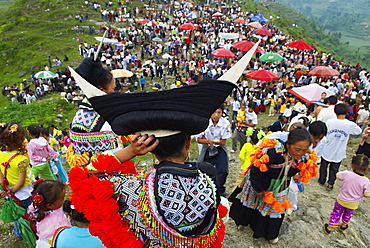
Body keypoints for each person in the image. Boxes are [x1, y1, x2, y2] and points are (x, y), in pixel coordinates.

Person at [67, 78, 235, 247]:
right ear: (187, 145)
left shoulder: (131, 190)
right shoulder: (208, 187)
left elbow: (85, 180)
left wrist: (129, 152)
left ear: (151, 149)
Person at [229, 128, 318, 244]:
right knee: (252, 202)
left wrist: (300, 173)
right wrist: (258, 188)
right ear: (288, 144)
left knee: (274, 209)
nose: (300, 153)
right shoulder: (272, 152)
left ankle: (269, 234)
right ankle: (243, 222)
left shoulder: (304, 158)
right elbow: (256, 169)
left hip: (280, 186)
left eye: (304, 150)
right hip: (260, 181)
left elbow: (296, 171)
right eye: (297, 149)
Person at [67, 57, 126, 167]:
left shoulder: (104, 111)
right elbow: (87, 161)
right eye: (112, 89)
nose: (115, 92)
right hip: (100, 174)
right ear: (101, 90)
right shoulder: (83, 121)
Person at [319, 104, 362, 190]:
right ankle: (330, 184)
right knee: (334, 169)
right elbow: (358, 131)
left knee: (323, 166)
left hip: (327, 148)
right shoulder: (349, 124)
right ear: (346, 112)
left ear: (335, 112)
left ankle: (321, 180)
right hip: (339, 150)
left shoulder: (330, 122)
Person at [324, 154, 370, 234]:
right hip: (353, 203)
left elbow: (338, 175)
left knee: (336, 213)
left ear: (351, 164)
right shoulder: (366, 181)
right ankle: (344, 225)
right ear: (367, 168)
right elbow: (367, 194)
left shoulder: (346, 174)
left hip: (341, 200)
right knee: (348, 214)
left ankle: (330, 228)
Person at [197, 105, 231, 197]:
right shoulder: (204, 122)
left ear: (222, 113)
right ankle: (206, 189)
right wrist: (208, 141)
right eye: (214, 112)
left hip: (219, 148)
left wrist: (208, 140)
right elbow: (199, 139)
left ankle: (219, 190)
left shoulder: (225, 123)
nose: (216, 115)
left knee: (223, 170)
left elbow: (223, 141)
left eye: (219, 112)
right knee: (202, 168)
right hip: (207, 148)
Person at [27, 180, 70, 248]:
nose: (64, 200)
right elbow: (59, 239)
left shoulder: (38, 206)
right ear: (50, 205)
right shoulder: (55, 223)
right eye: (62, 199)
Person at [0, 122, 34, 208]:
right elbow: (21, 182)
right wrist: (12, 191)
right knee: (29, 216)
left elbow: (0, 175)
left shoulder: (1, 154)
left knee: (17, 215)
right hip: (24, 193)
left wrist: (6, 189)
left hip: (11, 193)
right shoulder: (21, 159)